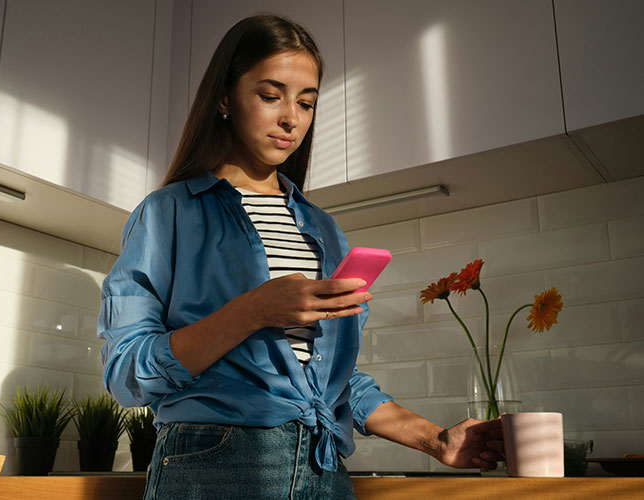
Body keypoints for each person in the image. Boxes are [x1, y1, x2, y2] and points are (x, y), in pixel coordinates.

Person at [98, 13, 503, 500]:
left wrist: (435, 439)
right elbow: (126, 372)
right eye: (271, 96)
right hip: (214, 463)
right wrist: (253, 311)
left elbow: (335, 378)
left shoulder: (324, 232)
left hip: (321, 465)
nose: (292, 117)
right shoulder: (168, 214)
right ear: (224, 98)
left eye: (306, 102)